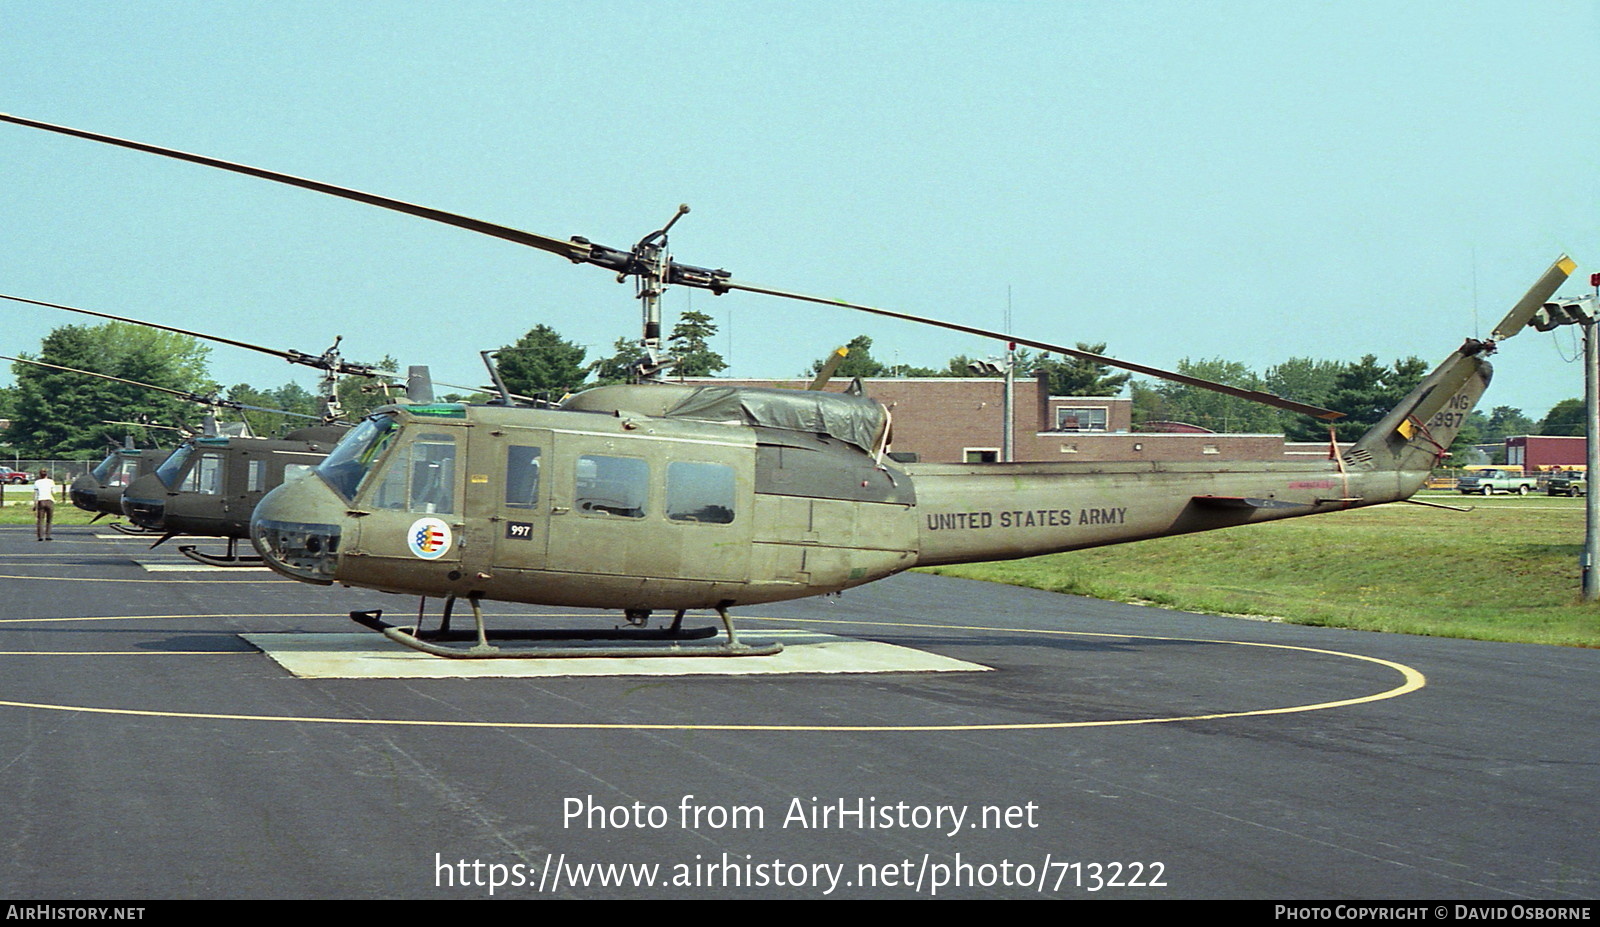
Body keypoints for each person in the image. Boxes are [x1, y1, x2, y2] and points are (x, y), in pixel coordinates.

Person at [32, 469, 55, 541]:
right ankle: (48, 535)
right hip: (49, 500)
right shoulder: (51, 481)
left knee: (40, 519)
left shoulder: (37, 482)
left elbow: (36, 494)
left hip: (41, 501)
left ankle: (40, 536)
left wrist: (34, 504)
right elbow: (54, 492)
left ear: (39, 475)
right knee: (49, 519)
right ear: (46, 474)